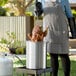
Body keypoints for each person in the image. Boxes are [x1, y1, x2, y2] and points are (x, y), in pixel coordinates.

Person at [41, 0, 71, 76]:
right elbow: (38, 14)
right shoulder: (43, 1)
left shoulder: (64, 1)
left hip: (62, 32)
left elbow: (70, 15)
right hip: (50, 32)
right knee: (53, 56)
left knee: (64, 55)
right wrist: (36, 10)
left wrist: (74, 32)